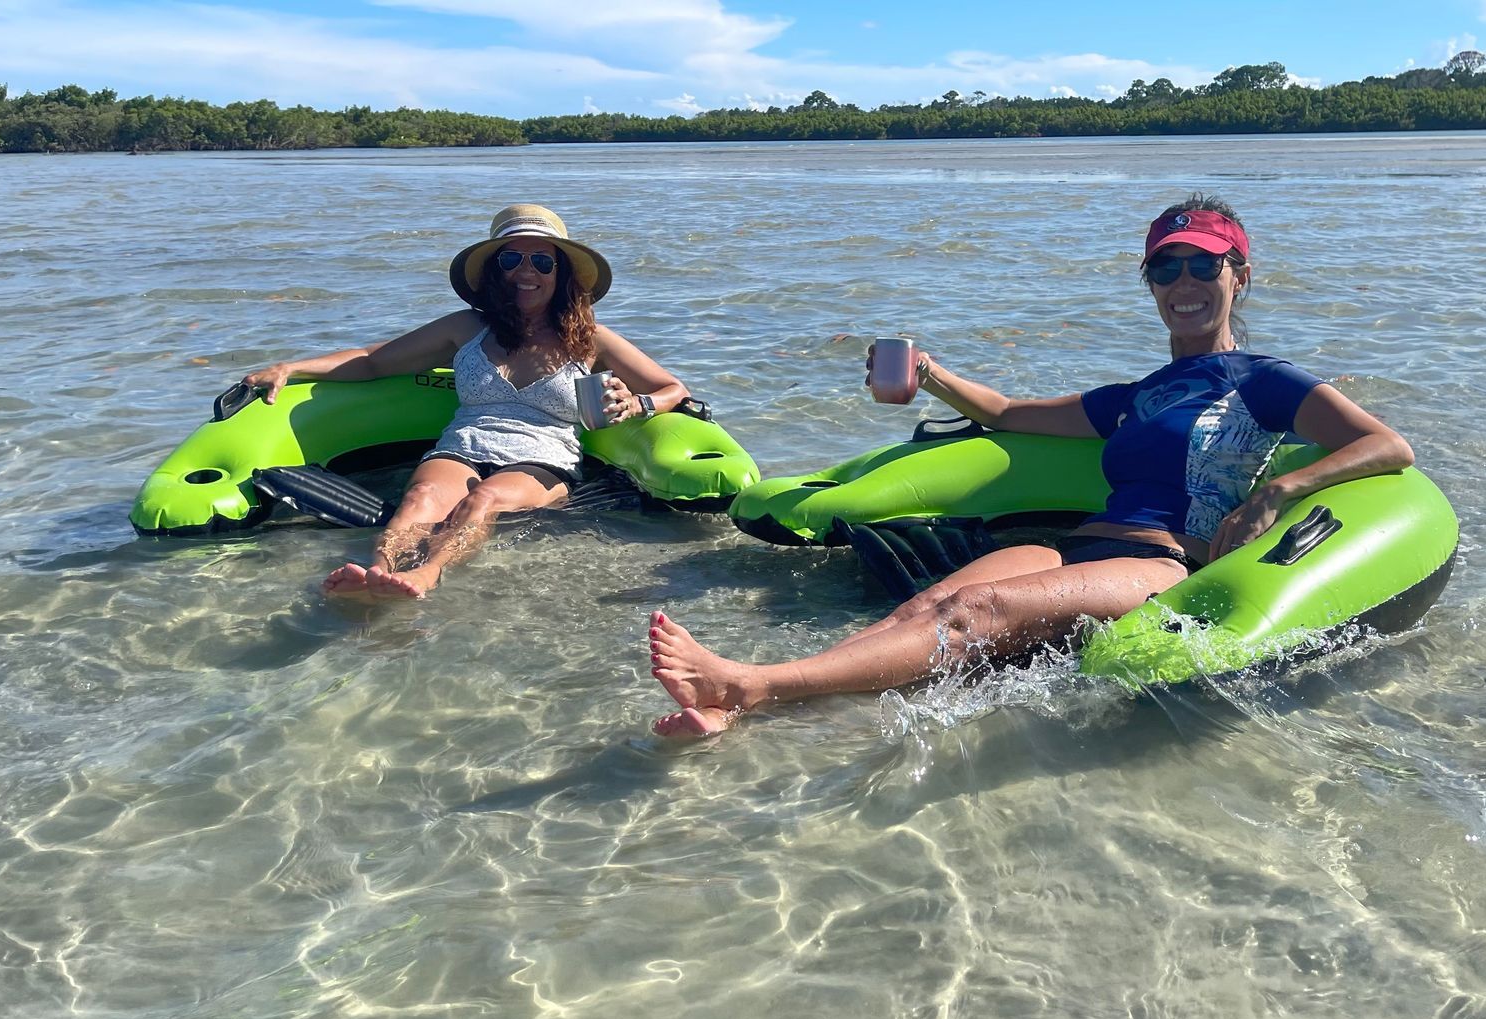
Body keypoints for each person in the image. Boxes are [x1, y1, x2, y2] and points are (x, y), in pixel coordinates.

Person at [647, 194, 1415, 736]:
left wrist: (1283, 488)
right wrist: (932, 373)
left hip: (1162, 561)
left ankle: (750, 681)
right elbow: (1011, 413)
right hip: (1080, 544)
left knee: (972, 618)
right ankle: (742, 709)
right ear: (1149, 285)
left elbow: (1386, 446)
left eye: (1202, 267)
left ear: (1238, 277)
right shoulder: (1137, 395)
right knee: (925, 608)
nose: (1183, 284)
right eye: (1164, 269)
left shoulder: (1264, 381)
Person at [242, 204, 691, 601]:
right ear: (496, 270)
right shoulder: (466, 328)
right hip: (465, 443)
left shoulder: (590, 340)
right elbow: (372, 361)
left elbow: (672, 387)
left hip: (544, 455)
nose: (526, 271)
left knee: (485, 501)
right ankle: (376, 571)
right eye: (512, 258)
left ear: (561, 273)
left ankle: (427, 573)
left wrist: (638, 407)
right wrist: (291, 366)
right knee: (420, 498)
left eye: (541, 260)